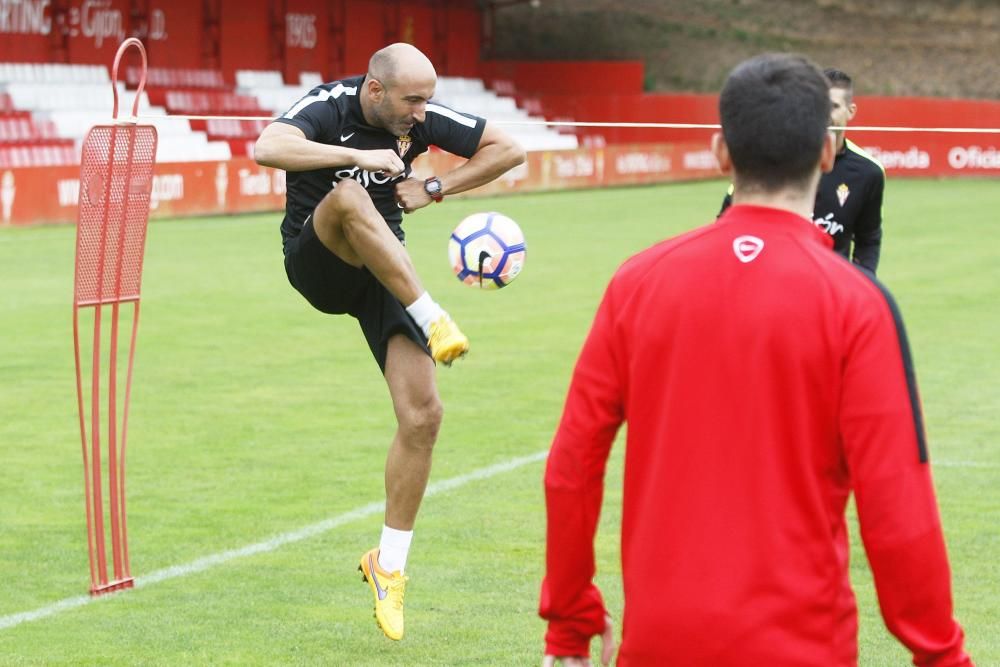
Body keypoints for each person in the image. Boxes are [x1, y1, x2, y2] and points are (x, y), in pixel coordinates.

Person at [539, 53, 972, 666]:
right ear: (826, 154)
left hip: (661, 643)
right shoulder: (859, 305)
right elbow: (898, 507)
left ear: (721, 152)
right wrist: (941, 656)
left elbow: (570, 469)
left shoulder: (638, 283)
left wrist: (568, 624)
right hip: (803, 647)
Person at [254, 42, 525, 641]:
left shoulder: (418, 116)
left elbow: (509, 148)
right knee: (348, 196)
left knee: (424, 415)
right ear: (375, 91)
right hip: (318, 258)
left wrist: (437, 188)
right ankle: (432, 314)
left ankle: (389, 567)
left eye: (427, 99)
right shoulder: (328, 104)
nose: (422, 112)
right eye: (412, 100)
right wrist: (364, 157)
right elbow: (266, 147)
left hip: (384, 271)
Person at [719, 68, 886, 273]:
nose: (825, 116)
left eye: (833, 107)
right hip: (771, 280)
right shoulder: (772, 159)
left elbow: (868, 238)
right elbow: (726, 219)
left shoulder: (868, 172)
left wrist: (865, 280)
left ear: (851, 111)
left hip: (830, 288)